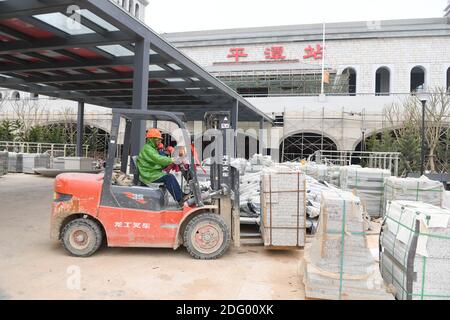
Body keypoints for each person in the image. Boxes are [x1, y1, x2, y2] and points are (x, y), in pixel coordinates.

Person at [137, 128, 185, 207]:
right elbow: (158, 159)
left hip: (151, 171)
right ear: (152, 139)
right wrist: (172, 159)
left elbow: (156, 161)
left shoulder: (151, 148)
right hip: (148, 174)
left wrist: (168, 162)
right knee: (169, 177)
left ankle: (181, 195)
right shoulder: (147, 149)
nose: (160, 141)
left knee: (169, 176)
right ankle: (180, 199)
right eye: (158, 139)